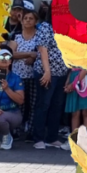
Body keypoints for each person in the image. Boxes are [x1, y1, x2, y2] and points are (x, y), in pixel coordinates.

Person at [30, 14, 70, 150]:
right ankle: (38, 138)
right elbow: (42, 49)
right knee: (43, 104)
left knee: (57, 105)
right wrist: (47, 71)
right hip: (46, 72)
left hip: (62, 73)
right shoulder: (46, 27)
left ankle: (52, 138)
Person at [10, 6, 40, 134]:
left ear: (35, 21)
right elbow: (12, 54)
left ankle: (31, 131)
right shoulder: (17, 36)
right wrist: (30, 54)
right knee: (19, 103)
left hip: (33, 76)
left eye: (31, 18)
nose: (28, 20)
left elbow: (41, 53)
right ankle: (16, 129)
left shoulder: (39, 36)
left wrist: (34, 57)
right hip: (18, 76)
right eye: (25, 18)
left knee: (33, 104)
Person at [64, 67, 87, 131]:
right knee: (75, 112)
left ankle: (85, 138)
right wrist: (68, 79)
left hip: (86, 78)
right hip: (73, 76)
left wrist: (73, 84)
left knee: (86, 112)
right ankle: (74, 138)